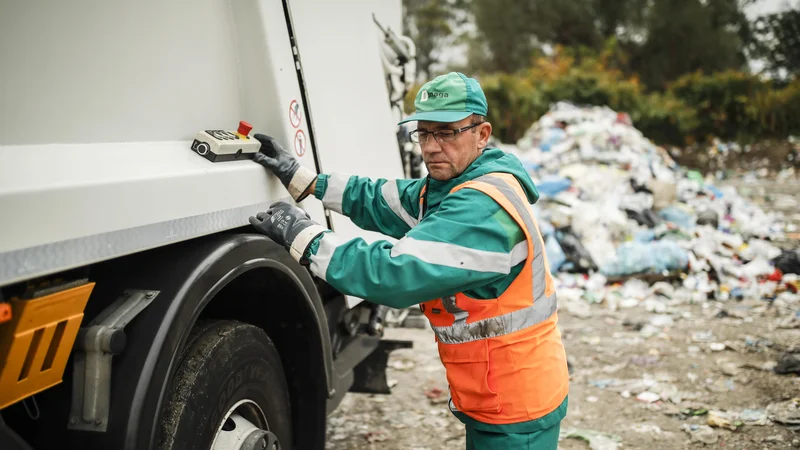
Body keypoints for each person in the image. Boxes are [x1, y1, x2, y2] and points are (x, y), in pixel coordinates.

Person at [249, 72, 569, 449]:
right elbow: (381, 199)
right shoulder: (451, 186)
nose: (432, 147)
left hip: (518, 404)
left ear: (482, 134)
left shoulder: (482, 207)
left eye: (447, 133)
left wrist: (305, 238)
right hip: (495, 390)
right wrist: (304, 180)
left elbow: (394, 274)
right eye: (424, 133)